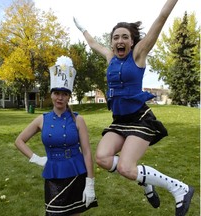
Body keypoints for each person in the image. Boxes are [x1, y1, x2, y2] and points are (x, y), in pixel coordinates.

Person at [73, 0, 194, 215]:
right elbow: (92, 44)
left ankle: (180, 188)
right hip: (119, 120)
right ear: (111, 43)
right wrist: (83, 29)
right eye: (116, 37)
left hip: (140, 118)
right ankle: (145, 181)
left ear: (132, 42)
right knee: (102, 158)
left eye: (125, 37)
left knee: (126, 168)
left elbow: (161, 18)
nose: (120, 40)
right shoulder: (110, 58)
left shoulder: (138, 54)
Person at [15, 56, 98, 215]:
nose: (60, 97)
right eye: (57, 93)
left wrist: (90, 183)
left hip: (76, 173)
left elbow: (87, 152)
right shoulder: (41, 119)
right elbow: (19, 141)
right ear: (51, 94)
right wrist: (37, 159)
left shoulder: (78, 120)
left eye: (64, 94)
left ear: (69, 96)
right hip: (53, 175)